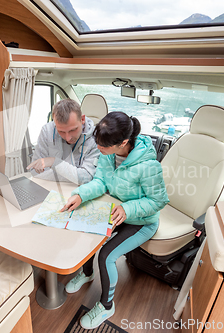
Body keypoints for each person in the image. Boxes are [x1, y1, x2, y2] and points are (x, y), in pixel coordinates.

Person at [60, 112, 169, 330]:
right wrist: (81, 194)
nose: (98, 149)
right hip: (115, 210)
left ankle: (106, 305)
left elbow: (158, 201)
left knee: (107, 255)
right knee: (87, 236)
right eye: (97, 142)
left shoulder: (148, 166)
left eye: (103, 146)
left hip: (142, 221)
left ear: (123, 143)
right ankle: (87, 274)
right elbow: (100, 181)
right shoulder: (108, 155)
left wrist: (128, 209)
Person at [27, 99, 99, 185]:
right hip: (52, 188)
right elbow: (35, 171)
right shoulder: (47, 131)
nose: (68, 138)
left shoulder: (97, 137)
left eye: (73, 130)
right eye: (61, 131)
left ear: (82, 119)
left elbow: (87, 178)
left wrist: (54, 162)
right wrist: (75, 175)